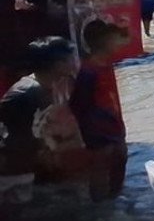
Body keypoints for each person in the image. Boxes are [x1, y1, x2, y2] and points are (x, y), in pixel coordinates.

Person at [0, 37, 95, 188]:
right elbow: (14, 140)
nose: (74, 62)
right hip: (14, 172)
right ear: (58, 65)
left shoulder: (45, 86)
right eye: (70, 58)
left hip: (26, 166)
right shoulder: (27, 94)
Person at [70, 20, 129, 199]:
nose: (121, 42)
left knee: (120, 159)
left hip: (113, 126)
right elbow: (78, 104)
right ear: (105, 41)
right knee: (101, 168)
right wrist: (89, 131)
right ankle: (100, 208)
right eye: (116, 39)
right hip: (98, 130)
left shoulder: (106, 65)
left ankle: (114, 203)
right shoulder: (89, 71)